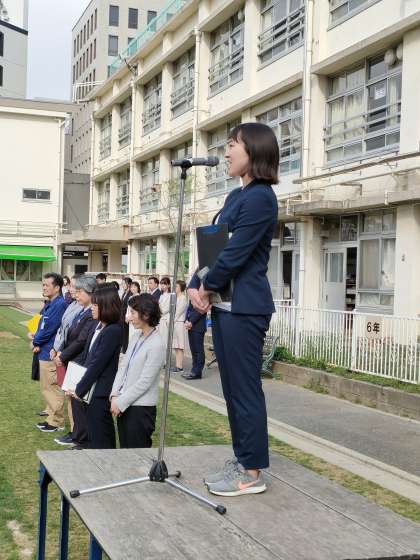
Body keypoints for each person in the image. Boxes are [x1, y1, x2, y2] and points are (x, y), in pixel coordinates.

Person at [188, 122, 279, 497]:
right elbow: (216, 249)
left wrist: (206, 286)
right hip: (225, 305)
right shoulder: (235, 196)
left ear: (253, 150)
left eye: (232, 145)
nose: (225, 153)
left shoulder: (261, 198)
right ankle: (243, 460)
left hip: (244, 307)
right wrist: (195, 283)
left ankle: (252, 473)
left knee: (244, 390)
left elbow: (236, 253)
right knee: (231, 390)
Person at [70, 284, 122, 449]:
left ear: (106, 307)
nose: (92, 308)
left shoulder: (112, 331)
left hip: (100, 391)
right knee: (94, 433)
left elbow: (97, 364)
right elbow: (89, 358)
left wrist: (79, 389)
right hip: (92, 390)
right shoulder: (101, 327)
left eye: (96, 305)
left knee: (101, 437)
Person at [110, 294, 165, 448]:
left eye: (133, 313)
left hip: (140, 409)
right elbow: (123, 368)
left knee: (137, 454)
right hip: (124, 404)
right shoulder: (136, 336)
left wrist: (120, 402)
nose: (129, 317)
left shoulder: (157, 344)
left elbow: (145, 382)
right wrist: (115, 395)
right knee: (125, 451)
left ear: (146, 315)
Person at [53, 275, 97, 447]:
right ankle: (77, 434)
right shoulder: (82, 311)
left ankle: (80, 436)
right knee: (73, 400)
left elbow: (80, 340)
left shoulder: (91, 314)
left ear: (90, 292)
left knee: (79, 401)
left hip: (79, 361)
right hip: (72, 360)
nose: (75, 295)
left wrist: (63, 355)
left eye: (79, 291)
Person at [48, 275, 82, 436]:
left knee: (73, 396)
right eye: (70, 286)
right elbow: (62, 329)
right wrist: (55, 348)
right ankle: (74, 431)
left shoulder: (83, 309)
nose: (70, 289)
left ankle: (76, 432)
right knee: (69, 394)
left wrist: (61, 352)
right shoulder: (72, 305)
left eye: (74, 286)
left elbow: (75, 336)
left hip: (71, 356)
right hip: (63, 353)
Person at [33, 273, 67, 433]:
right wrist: (36, 338)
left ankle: (57, 422)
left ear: (57, 287)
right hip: (44, 351)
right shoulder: (51, 303)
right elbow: (43, 325)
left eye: (47, 285)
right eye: (43, 285)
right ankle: (51, 418)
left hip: (50, 352)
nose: (44, 288)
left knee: (52, 388)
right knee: (46, 388)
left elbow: (49, 328)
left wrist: (36, 341)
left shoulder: (59, 304)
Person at [182, 303, 207, 380]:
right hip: (191, 326)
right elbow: (189, 308)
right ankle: (193, 370)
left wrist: (191, 321)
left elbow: (200, 311)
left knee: (198, 350)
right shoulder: (192, 297)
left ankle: (197, 372)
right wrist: (186, 320)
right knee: (193, 349)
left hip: (198, 326)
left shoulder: (202, 297)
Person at [171, 280, 187, 373]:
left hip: (179, 322)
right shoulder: (176, 298)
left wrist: (172, 320)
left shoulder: (183, 298)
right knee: (176, 345)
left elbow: (178, 312)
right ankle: (177, 365)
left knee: (180, 345)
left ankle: (180, 366)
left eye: (176, 286)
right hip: (175, 322)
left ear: (181, 287)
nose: (175, 288)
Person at [120, 277, 132, 353]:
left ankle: (125, 349)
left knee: (126, 334)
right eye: (122, 284)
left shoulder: (130, 294)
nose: (123, 285)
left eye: (124, 283)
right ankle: (124, 348)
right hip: (122, 316)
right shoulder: (124, 293)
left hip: (127, 317)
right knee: (123, 333)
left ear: (129, 284)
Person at [158, 277, 171, 346]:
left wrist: (158, 306)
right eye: (161, 284)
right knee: (160, 339)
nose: (162, 286)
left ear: (168, 285)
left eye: (164, 284)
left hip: (166, 319)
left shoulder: (170, 295)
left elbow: (166, 309)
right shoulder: (161, 296)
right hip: (160, 319)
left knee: (165, 339)